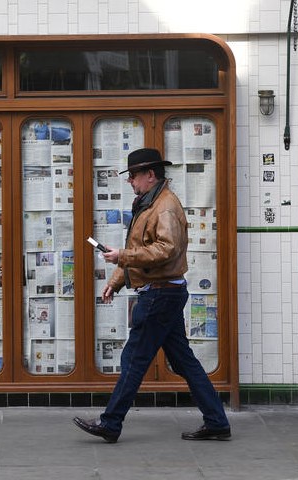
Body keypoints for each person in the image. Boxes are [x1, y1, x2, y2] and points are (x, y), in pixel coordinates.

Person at [73, 148, 230, 443]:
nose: (130, 181)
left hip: (160, 295)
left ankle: (110, 423)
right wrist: (116, 281)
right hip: (164, 292)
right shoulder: (150, 202)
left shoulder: (164, 206)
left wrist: (122, 256)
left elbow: (165, 249)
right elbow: (139, 247)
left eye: (133, 175)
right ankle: (217, 421)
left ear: (150, 175)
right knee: (184, 362)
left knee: (134, 359)